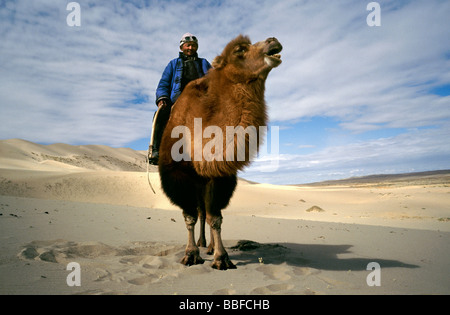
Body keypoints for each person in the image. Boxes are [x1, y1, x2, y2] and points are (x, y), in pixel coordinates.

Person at [149, 33, 212, 165]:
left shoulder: (204, 63)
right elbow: (164, 83)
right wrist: (162, 98)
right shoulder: (173, 64)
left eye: (194, 46)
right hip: (177, 101)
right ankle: (156, 151)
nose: (191, 48)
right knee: (160, 115)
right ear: (182, 47)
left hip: (200, 101)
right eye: (188, 45)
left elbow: (214, 80)